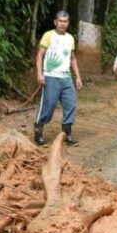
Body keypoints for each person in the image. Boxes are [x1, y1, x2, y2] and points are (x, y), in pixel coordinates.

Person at [34, 10, 82, 146]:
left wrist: (77, 77)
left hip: (66, 77)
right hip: (50, 76)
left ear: (68, 23)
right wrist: (39, 74)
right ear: (55, 22)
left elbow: (72, 58)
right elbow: (39, 55)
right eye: (60, 21)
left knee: (71, 103)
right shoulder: (48, 36)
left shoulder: (70, 38)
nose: (62, 24)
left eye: (65, 21)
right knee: (48, 105)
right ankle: (39, 129)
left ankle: (66, 132)